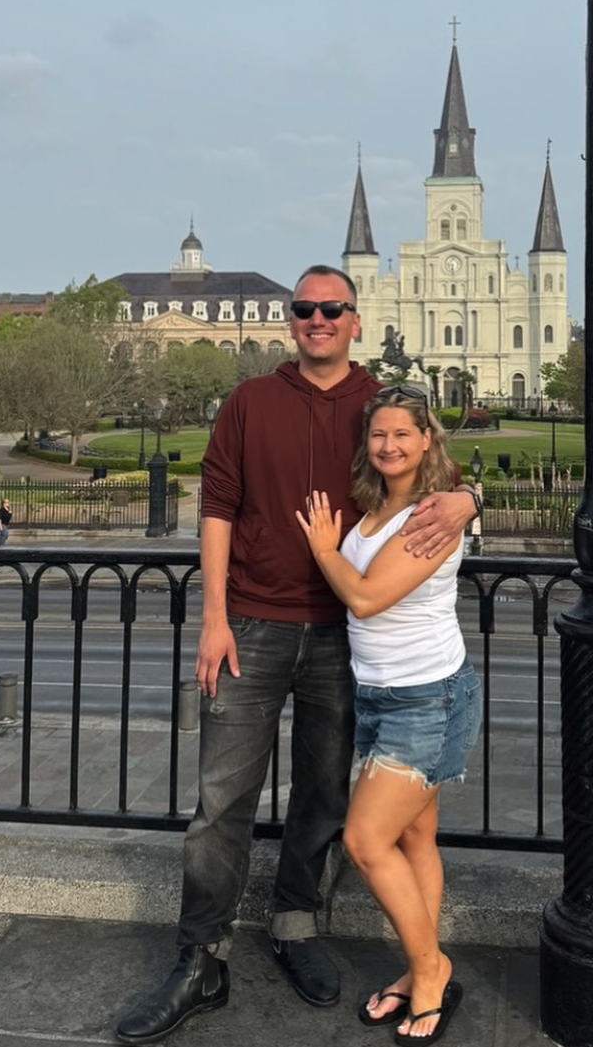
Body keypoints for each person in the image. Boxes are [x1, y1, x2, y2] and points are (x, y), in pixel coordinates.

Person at [115, 265, 477, 1045]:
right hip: (251, 625)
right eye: (305, 308)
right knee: (221, 802)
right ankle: (201, 956)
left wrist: (469, 495)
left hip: (342, 638)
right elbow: (217, 507)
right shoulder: (251, 401)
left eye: (331, 309)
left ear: (354, 319)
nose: (317, 319)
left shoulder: (378, 399)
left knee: (321, 795)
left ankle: (294, 923)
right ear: (292, 321)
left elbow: (433, 465)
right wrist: (213, 617)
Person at [296, 386, 482, 1047]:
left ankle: (432, 969)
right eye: (378, 434)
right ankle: (416, 965)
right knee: (413, 840)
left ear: (427, 438)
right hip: (380, 695)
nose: (389, 445)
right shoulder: (380, 506)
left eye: (403, 433)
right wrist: (474, 494)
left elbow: (368, 597)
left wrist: (323, 548)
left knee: (366, 840)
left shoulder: (430, 513)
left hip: (424, 698)